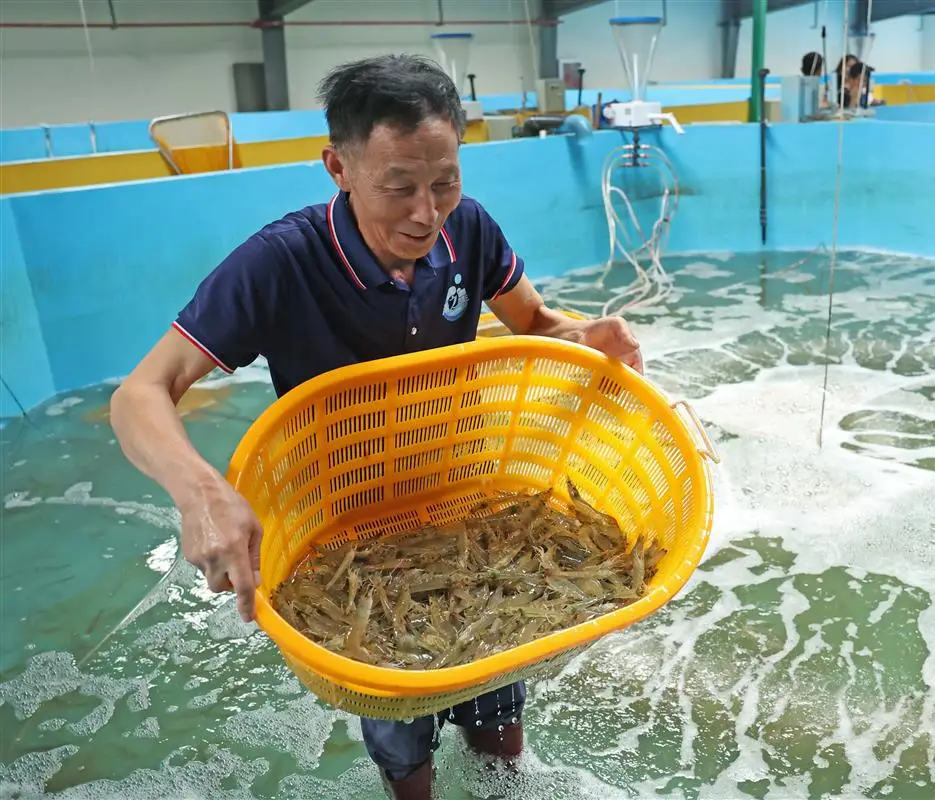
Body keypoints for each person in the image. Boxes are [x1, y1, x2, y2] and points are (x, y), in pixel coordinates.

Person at [109, 53, 644, 800]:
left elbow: (537, 321)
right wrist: (199, 492)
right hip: (347, 525)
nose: (427, 213)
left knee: (499, 710)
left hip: (466, 502)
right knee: (398, 726)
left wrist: (587, 336)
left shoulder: (469, 231)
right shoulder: (279, 263)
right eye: (399, 188)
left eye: (445, 182)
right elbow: (140, 392)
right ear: (338, 167)